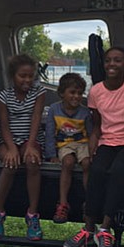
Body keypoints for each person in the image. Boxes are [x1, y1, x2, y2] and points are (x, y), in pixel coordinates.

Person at [64, 46, 124, 247]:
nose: (112, 64)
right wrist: (90, 148)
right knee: (97, 170)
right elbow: (97, 127)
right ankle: (88, 229)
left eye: (118, 60)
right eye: (108, 60)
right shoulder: (96, 91)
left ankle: (105, 230)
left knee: (118, 170)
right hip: (107, 141)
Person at [0, 54, 46, 240]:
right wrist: (12, 148)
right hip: (8, 139)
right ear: (13, 75)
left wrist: (30, 145)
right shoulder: (3, 96)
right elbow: (4, 125)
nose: (27, 80)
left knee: (32, 162)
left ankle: (32, 215)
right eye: (22, 76)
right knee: (10, 163)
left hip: (31, 138)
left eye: (30, 76)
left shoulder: (39, 93)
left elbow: (36, 120)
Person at [44, 72, 92, 223]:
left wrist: (93, 150)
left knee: (87, 163)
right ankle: (63, 203)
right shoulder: (54, 109)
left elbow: (90, 134)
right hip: (64, 144)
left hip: (82, 143)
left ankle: (89, 203)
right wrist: (51, 154)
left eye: (79, 93)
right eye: (72, 92)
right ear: (61, 93)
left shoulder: (85, 112)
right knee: (68, 163)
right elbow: (50, 133)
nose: (76, 96)